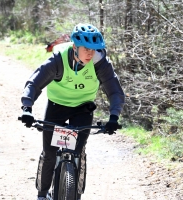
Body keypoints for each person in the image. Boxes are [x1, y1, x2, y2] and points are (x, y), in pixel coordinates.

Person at [20, 23, 125, 200]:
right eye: (86, 49)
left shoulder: (100, 63)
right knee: (50, 154)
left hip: (82, 109)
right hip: (57, 107)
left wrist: (114, 117)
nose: (90, 53)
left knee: (78, 151)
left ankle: (75, 191)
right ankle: (42, 194)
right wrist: (27, 108)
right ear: (75, 46)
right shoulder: (58, 60)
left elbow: (114, 91)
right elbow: (34, 83)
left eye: (94, 49)